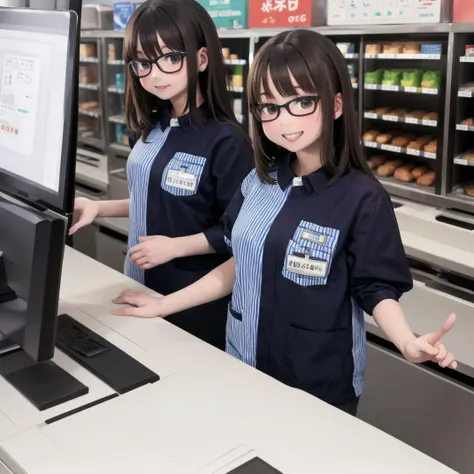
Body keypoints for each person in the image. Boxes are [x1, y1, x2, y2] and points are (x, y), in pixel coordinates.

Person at [111, 30, 456, 416]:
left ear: (336, 103)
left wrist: (407, 342)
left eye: (302, 102)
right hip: (242, 364)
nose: (284, 120)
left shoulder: (361, 198)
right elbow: (239, 263)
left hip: (317, 384)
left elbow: (375, 289)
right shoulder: (258, 182)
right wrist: (164, 305)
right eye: (269, 107)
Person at [69, 0, 253, 350]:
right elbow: (159, 196)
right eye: (143, 62)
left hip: (194, 298)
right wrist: (98, 207)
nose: (155, 74)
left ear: (200, 59)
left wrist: (174, 247)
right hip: (142, 283)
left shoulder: (227, 141)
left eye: (170, 58)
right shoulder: (155, 124)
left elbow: (239, 234)